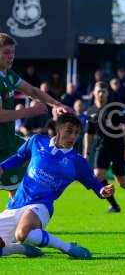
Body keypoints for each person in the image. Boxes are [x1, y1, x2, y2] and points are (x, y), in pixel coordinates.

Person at [0, 113, 114, 258]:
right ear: (58, 128)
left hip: (41, 206)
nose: (73, 137)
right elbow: (19, 157)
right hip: (15, 204)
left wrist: (102, 190)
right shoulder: (37, 141)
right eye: (69, 131)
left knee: (23, 233)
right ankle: (20, 249)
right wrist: (2, 167)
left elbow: (93, 183)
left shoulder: (77, 161)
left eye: (77, 133)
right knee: (30, 236)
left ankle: (67, 248)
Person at [0, 33, 71, 195]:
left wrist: (56, 104)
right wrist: (30, 111)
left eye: (12, 52)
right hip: (1, 145)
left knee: (20, 189)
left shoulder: (8, 75)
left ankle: (26, 213)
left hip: (8, 141)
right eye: (6, 52)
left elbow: (32, 90)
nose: (10, 56)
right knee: (18, 192)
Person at [83, 81, 125, 213]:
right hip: (101, 148)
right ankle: (115, 206)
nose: (101, 94)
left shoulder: (114, 109)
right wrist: (86, 153)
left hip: (117, 148)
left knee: (122, 182)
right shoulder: (91, 111)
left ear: (107, 93)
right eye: (98, 91)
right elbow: (89, 134)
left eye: (103, 91)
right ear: (94, 93)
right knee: (98, 176)